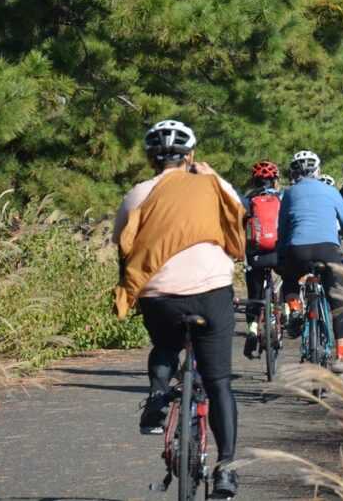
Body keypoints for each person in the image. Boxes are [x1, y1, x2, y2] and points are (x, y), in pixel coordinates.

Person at [112, 120, 243, 499]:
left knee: (166, 345)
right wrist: (211, 174)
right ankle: (226, 470)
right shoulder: (212, 182)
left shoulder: (139, 192)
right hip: (212, 290)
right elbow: (237, 214)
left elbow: (121, 241)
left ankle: (157, 395)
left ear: (150, 158)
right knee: (218, 384)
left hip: (160, 296)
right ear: (191, 155)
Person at [279, 150, 343, 373]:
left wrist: (281, 255)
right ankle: (342, 358)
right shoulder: (331, 191)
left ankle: (295, 306)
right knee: (338, 302)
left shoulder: (289, 193)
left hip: (298, 251)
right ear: (318, 171)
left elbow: (283, 227)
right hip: (328, 251)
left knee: (289, 281)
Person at [241, 160, 283, 360]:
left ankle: (252, 327)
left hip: (255, 254)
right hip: (278, 253)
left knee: (254, 294)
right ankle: (286, 312)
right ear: (275, 181)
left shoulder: (247, 200)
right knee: (288, 280)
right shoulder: (282, 198)